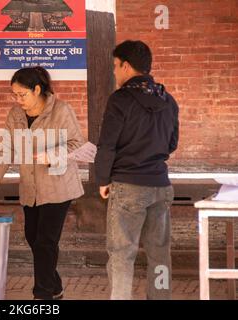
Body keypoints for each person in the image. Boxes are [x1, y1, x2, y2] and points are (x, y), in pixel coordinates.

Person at [0, 66, 85, 300]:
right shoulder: (15, 116)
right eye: (14, 95)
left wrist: (52, 155)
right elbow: (5, 150)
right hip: (31, 188)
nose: (18, 100)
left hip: (58, 187)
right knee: (33, 237)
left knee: (46, 241)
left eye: (22, 95)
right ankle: (54, 286)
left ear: (37, 89)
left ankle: (42, 295)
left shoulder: (61, 110)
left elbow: (78, 145)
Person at [94, 40, 179, 300]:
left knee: (122, 253)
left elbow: (107, 145)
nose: (115, 72)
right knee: (159, 252)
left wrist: (102, 180)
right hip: (161, 186)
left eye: (115, 67)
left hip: (128, 186)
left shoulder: (120, 100)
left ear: (126, 66)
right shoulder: (168, 99)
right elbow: (172, 143)